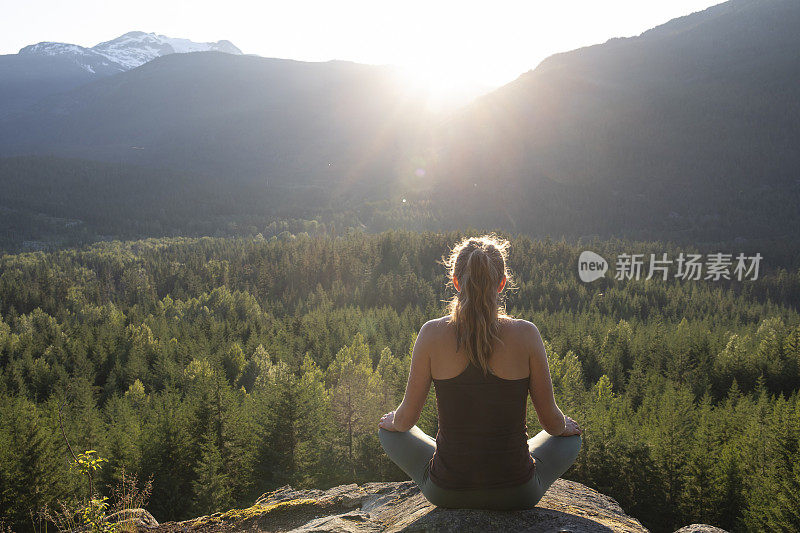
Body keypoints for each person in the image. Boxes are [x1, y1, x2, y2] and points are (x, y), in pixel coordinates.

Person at [378, 234, 582, 510]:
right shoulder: (526, 334)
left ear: (456, 282)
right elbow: (551, 423)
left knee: (388, 433)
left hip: (447, 492)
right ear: (502, 283)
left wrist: (392, 422)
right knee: (571, 439)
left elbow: (405, 421)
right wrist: (564, 427)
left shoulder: (431, 334)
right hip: (518, 493)